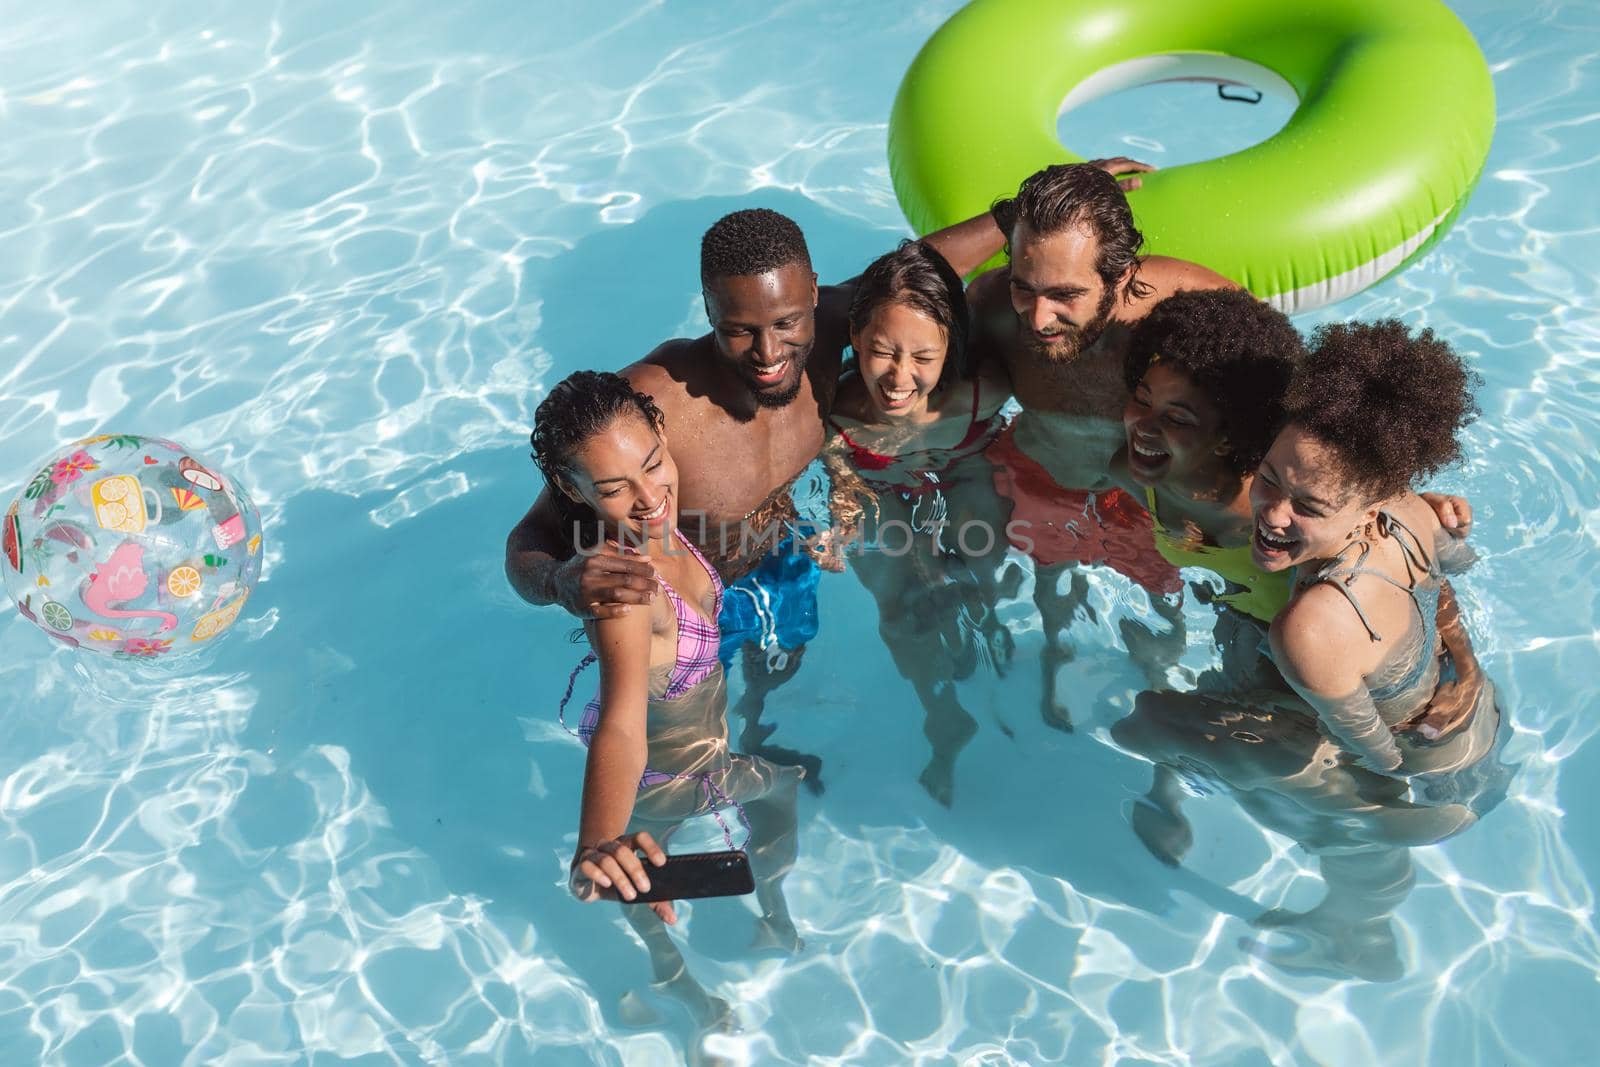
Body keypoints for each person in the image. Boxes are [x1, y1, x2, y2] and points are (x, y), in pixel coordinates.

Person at [506, 205, 1010, 782]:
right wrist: (558, 580)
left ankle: (763, 733)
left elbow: (918, 269)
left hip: (778, 553)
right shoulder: (655, 401)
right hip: (684, 606)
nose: (768, 354)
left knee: (779, 668)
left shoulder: (828, 330)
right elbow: (528, 538)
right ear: (710, 310)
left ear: (816, 295)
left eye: (786, 324)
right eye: (738, 330)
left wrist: (1016, 213)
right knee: (687, 755)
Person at [529, 370, 805, 1030]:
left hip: (699, 750)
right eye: (616, 488)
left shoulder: (662, 531)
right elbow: (622, 723)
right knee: (770, 793)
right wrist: (596, 839)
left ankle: (739, 936)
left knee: (652, 874)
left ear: (662, 434)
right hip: (671, 775)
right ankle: (702, 978)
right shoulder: (626, 592)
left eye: (653, 465)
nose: (650, 496)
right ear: (573, 489)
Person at [964, 163, 1240, 728]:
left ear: (1120, 276)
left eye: (1065, 294)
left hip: (1151, 504)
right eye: (1025, 286)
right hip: (1042, 472)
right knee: (1051, 594)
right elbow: (893, 299)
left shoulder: (1191, 316)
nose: (1038, 318)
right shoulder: (992, 306)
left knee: (1163, 617)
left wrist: (1386, 492)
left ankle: (1164, 707)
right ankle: (1053, 674)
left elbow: (1302, 412)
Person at [814, 240, 1015, 805]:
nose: (900, 377)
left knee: (982, 555)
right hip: (881, 484)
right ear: (854, 338)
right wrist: (841, 527)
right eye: (882, 352)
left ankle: (981, 611)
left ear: (951, 349)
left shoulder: (982, 393)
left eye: (923, 359)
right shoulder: (837, 412)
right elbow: (841, 479)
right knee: (896, 602)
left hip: (963, 466)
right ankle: (942, 714)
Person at [1254, 320, 1497, 777]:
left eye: (1309, 506)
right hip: (1474, 704)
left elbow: (1382, 756)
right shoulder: (1414, 511)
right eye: (1267, 478)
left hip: (1429, 753)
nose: (1273, 514)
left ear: (1369, 511)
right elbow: (1459, 570)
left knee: (1152, 723)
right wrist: (1468, 674)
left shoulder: (1309, 629)